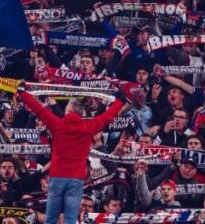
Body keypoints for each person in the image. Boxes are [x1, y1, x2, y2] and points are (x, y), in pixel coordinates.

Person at [17, 85, 127, 224]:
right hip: (76, 179)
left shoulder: (58, 124)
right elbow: (107, 117)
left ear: (68, 111)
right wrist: (120, 101)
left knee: (50, 218)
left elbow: (38, 110)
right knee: (70, 219)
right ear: (81, 113)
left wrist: (23, 94)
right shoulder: (88, 127)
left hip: (57, 177)